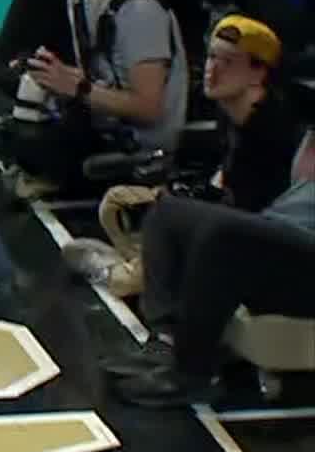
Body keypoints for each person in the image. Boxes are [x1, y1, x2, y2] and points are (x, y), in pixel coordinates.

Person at [63, 14, 305, 296]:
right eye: (212, 57)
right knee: (117, 202)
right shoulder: (230, 112)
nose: (212, 70)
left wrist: (186, 206)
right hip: (224, 218)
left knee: (158, 229)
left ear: (258, 73)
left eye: (227, 62)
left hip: (258, 240)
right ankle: (147, 264)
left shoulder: (275, 133)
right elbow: (222, 178)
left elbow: (250, 212)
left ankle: (118, 276)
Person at [0, 0, 189, 199]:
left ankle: (47, 171)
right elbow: (97, 79)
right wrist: (51, 74)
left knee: (25, 135)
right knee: (0, 83)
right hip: (100, 120)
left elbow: (149, 108)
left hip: (137, 146)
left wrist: (78, 88)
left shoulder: (140, 11)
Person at [102, 136, 315, 407]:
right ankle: (168, 339)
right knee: (167, 211)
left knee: (224, 235)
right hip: (279, 228)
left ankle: (193, 372)